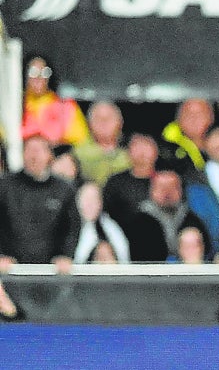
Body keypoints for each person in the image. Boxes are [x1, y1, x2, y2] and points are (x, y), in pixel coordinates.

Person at [0, 135, 74, 268]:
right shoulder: (5, 186)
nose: (34, 156)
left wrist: (65, 255)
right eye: (29, 150)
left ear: (49, 155)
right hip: (10, 269)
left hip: (52, 270)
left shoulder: (64, 189)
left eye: (39, 150)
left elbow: (71, 227)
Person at [73, 101, 131, 188]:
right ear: (89, 124)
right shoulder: (76, 153)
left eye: (109, 118)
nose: (104, 123)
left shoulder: (132, 152)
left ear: (120, 123)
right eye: (98, 118)